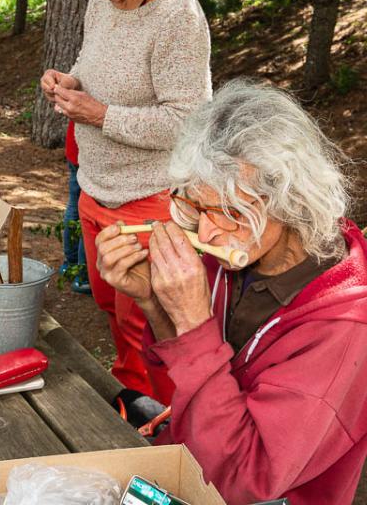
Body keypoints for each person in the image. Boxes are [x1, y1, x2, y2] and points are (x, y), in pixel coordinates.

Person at [96, 80, 367, 505]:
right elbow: (186, 388)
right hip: (188, 468)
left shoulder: (346, 330)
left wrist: (191, 322)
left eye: (229, 212)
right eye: (196, 207)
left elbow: (243, 481)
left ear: (288, 201)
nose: (205, 231)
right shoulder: (241, 250)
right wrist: (152, 298)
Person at [40, 0, 211, 403]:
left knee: (150, 328)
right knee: (113, 309)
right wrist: (71, 82)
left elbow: (187, 123)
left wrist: (99, 114)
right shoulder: (104, 0)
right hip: (96, 191)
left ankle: (156, 428)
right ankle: (134, 402)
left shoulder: (178, 18)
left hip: (150, 202)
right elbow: (97, 68)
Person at [60, 120, 90, 294]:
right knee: (87, 211)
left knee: (76, 206)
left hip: (78, 147)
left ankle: (71, 264)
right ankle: (83, 274)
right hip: (87, 151)